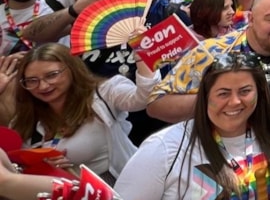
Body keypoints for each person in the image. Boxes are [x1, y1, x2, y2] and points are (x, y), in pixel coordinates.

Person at [88, 53, 270, 200]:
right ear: (204, 96)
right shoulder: (163, 150)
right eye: (223, 93)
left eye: (245, 91)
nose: (235, 101)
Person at [147, 0, 270, 123]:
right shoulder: (212, 52)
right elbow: (156, 105)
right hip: (221, 156)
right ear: (252, 19)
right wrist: (217, 100)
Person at [11, 43, 159, 182]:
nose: (42, 86)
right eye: (32, 80)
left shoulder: (104, 93)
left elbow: (145, 97)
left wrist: (141, 50)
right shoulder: (25, 119)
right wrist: (44, 168)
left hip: (125, 188)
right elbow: (17, 170)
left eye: (52, 75)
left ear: (71, 68)